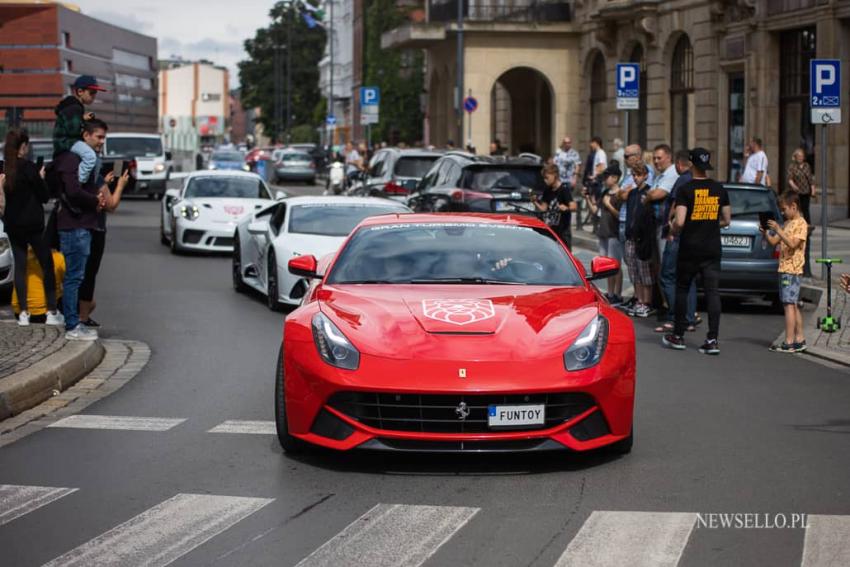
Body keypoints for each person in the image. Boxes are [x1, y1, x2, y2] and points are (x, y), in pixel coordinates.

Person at [664, 148, 731, 354]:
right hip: (712, 248)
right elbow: (727, 220)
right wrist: (710, 224)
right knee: (712, 292)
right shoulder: (719, 189)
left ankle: (678, 335)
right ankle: (712, 339)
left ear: (691, 164)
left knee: (683, 289)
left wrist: (672, 227)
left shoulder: (686, 189)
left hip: (690, 248)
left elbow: (681, 221)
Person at [2, 129, 64, 327]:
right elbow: (44, 195)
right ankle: (52, 311)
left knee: (20, 267)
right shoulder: (29, 168)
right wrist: (41, 177)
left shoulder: (6, 168)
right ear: (23, 146)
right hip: (33, 224)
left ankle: (23, 314)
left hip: (12, 224)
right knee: (47, 264)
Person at [55, 119, 109, 341]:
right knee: (73, 278)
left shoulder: (83, 159)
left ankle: (73, 322)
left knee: (76, 276)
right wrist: (93, 200)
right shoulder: (72, 159)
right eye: (98, 137)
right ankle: (71, 325)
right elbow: (73, 191)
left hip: (82, 225)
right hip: (74, 226)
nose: (101, 142)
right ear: (85, 136)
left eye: (104, 137)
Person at [79, 167, 131, 328]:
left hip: (80, 227)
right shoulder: (94, 176)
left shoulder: (79, 173)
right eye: (100, 139)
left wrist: (106, 183)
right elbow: (111, 205)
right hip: (95, 229)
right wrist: (121, 185)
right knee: (89, 274)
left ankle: (79, 315)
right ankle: (83, 318)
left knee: (80, 273)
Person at [657, 150, 697, 333]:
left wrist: (670, 226)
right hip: (692, 236)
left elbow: (675, 205)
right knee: (688, 278)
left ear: (680, 165)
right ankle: (689, 317)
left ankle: (675, 317)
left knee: (667, 275)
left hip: (677, 234)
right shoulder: (697, 180)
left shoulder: (682, 180)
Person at [763, 192, 809, 353]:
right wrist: (766, 232)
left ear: (794, 207)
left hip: (792, 270)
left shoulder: (801, 224)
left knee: (789, 305)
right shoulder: (788, 223)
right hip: (784, 269)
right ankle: (799, 338)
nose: (782, 213)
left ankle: (789, 341)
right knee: (792, 304)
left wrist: (778, 229)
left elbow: (792, 244)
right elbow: (774, 241)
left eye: (784, 209)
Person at [53, 75, 107, 183]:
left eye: (95, 93)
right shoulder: (74, 107)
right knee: (90, 157)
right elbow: (73, 131)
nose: (93, 96)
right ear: (80, 91)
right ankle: (78, 182)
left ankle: (87, 183)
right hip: (66, 142)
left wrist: (82, 119)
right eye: (91, 93)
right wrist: (84, 122)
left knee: (95, 158)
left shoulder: (74, 106)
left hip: (68, 141)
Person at [585, 163, 624, 303]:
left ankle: (618, 294)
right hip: (603, 233)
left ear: (615, 178)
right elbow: (596, 211)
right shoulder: (605, 193)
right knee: (607, 266)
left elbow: (621, 215)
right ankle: (610, 292)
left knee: (616, 265)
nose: (605, 179)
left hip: (614, 233)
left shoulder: (620, 194)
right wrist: (588, 199)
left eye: (607, 177)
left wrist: (609, 205)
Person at [623, 163, 655, 317]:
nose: (635, 178)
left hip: (643, 238)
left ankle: (647, 302)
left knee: (644, 272)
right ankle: (639, 299)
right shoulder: (632, 194)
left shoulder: (649, 193)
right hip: (630, 237)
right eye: (634, 175)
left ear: (646, 175)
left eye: (638, 175)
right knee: (633, 271)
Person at [786, 148, 816, 277]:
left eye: (802, 156)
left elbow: (810, 179)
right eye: (799, 156)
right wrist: (793, 186)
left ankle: (807, 223)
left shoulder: (807, 166)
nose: (801, 158)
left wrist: (813, 189)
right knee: (798, 209)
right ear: (795, 157)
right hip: (797, 192)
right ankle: (799, 222)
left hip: (806, 191)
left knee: (806, 208)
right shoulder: (792, 166)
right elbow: (790, 178)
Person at [534, 163, 577, 249]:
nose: (545, 181)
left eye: (547, 178)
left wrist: (566, 208)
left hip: (563, 231)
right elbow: (543, 209)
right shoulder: (547, 191)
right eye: (544, 178)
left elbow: (574, 206)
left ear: (555, 175)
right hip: (551, 230)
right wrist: (535, 202)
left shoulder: (564, 189)